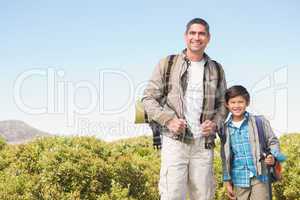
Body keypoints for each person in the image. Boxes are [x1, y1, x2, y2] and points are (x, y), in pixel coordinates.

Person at [142, 18, 227, 200]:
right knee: (172, 195)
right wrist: (169, 120)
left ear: (208, 38)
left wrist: (215, 124)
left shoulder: (216, 69)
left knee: (204, 196)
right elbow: (148, 99)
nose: (197, 37)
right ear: (185, 36)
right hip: (174, 142)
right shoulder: (168, 63)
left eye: (201, 33)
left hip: (203, 144)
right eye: (192, 33)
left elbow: (223, 105)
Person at [220, 85, 286, 200]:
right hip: (239, 179)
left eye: (240, 102)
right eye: (233, 102)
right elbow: (225, 157)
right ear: (227, 104)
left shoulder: (259, 121)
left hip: (260, 176)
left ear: (247, 102)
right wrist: (227, 180)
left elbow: (273, 141)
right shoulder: (224, 129)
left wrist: (273, 156)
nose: (236, 105)